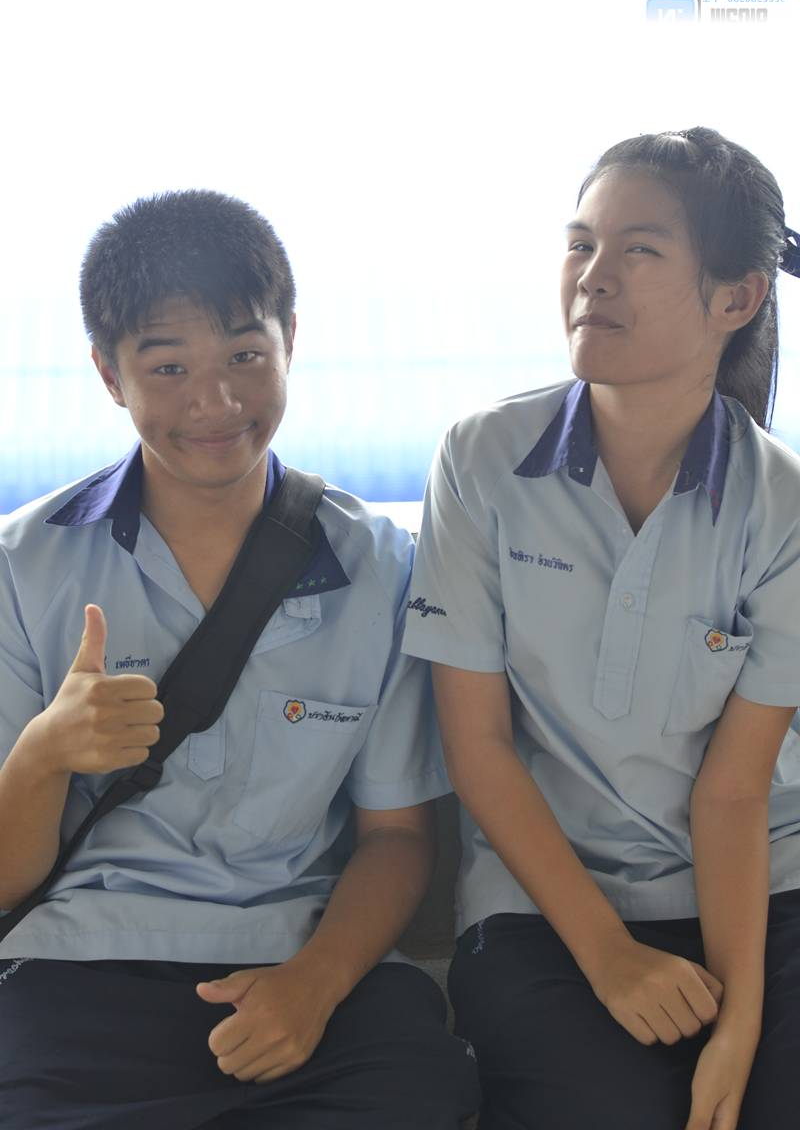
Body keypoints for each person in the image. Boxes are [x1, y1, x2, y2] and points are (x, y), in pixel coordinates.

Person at [0, 190, 479, 1129]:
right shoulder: (26, 567)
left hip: (305, 961)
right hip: (80, 964)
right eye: (168, 367)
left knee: (426, 1093)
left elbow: (396, 839)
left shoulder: (382, 569)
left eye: (245, 358)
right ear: (108, 374)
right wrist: (46, 753)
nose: (215, 402)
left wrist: (314, 984)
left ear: (290, 340)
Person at [402, 127, 800, 1130]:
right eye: (580, 244)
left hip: (762, 890)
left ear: (736, 298)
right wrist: (610, 955)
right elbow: (478, 748)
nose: (593, 276)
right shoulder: (480, 460)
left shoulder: (782, 506)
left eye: (639, 250)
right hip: (543, 903)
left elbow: (732, 791)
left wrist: (739, 1025)